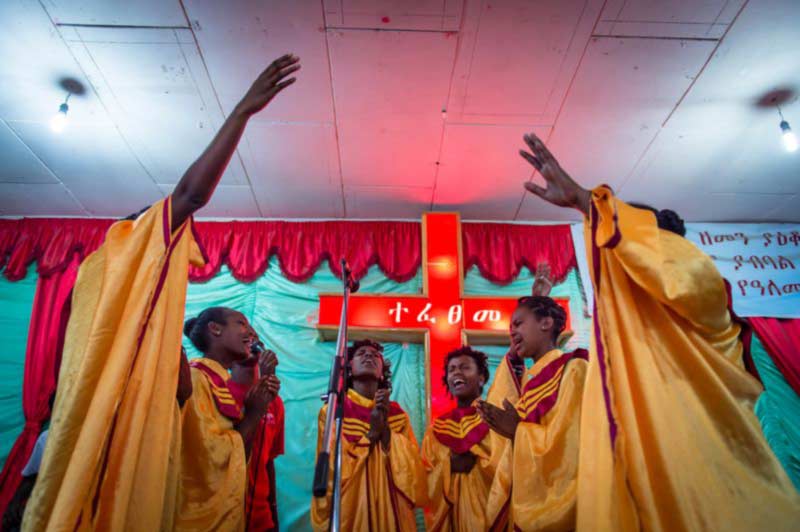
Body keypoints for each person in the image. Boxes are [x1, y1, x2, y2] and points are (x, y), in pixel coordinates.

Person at [22, 53, 300, 532]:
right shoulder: (126, 258)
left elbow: (212, 444)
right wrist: (242, 112)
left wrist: (253, 398)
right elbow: (190, 196)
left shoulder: (134, 322)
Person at [517, 132, 800, 530]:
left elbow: (667, 270)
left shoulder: (702, 291)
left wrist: (585, 201)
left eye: (626, 254)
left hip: (713, 478)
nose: (617, 273)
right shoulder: (623, 339)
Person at [477, 295, 588, 531]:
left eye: (518, 324)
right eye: (510, 328)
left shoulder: (574, 368)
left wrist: (518, 431)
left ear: (546, 323)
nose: (512, 333)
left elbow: (573, 444)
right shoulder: (531, 386)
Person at [177, 308, 279, 531]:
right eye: (241, 323)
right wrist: (253, 414)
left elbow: (242, 458)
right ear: (215, 329)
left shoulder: (217, 381)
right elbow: (210, 458)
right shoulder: (197, 377)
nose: (251, 332)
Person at [311, 339, 425, 531]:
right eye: (361, 353)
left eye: (375, 355)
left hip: (393, 511)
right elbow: (332, 470)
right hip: (353, 511)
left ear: (382, 373)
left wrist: (386, 432)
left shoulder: (397, 414)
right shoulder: (334, 410)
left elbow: (413, 472)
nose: (368, 356)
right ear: (348, 368)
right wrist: (371, 435)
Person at [421, 346, 499, 531]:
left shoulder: (495, 418)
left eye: (465, 367)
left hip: (489, 513)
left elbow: (507, 466)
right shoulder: (437, 428)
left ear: (481, 378)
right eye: (452, 369)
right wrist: (449, 466)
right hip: (450, 519)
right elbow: (425, 475)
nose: (457, 372)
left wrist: (479, 462)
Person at [228, 330, 285, 532]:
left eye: (256, 338)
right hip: (222, 513)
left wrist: (273, 512)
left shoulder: (275, 403)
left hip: (261, 518)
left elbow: (268, 461)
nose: (252, 338)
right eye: (244, 334)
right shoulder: (218, 390)